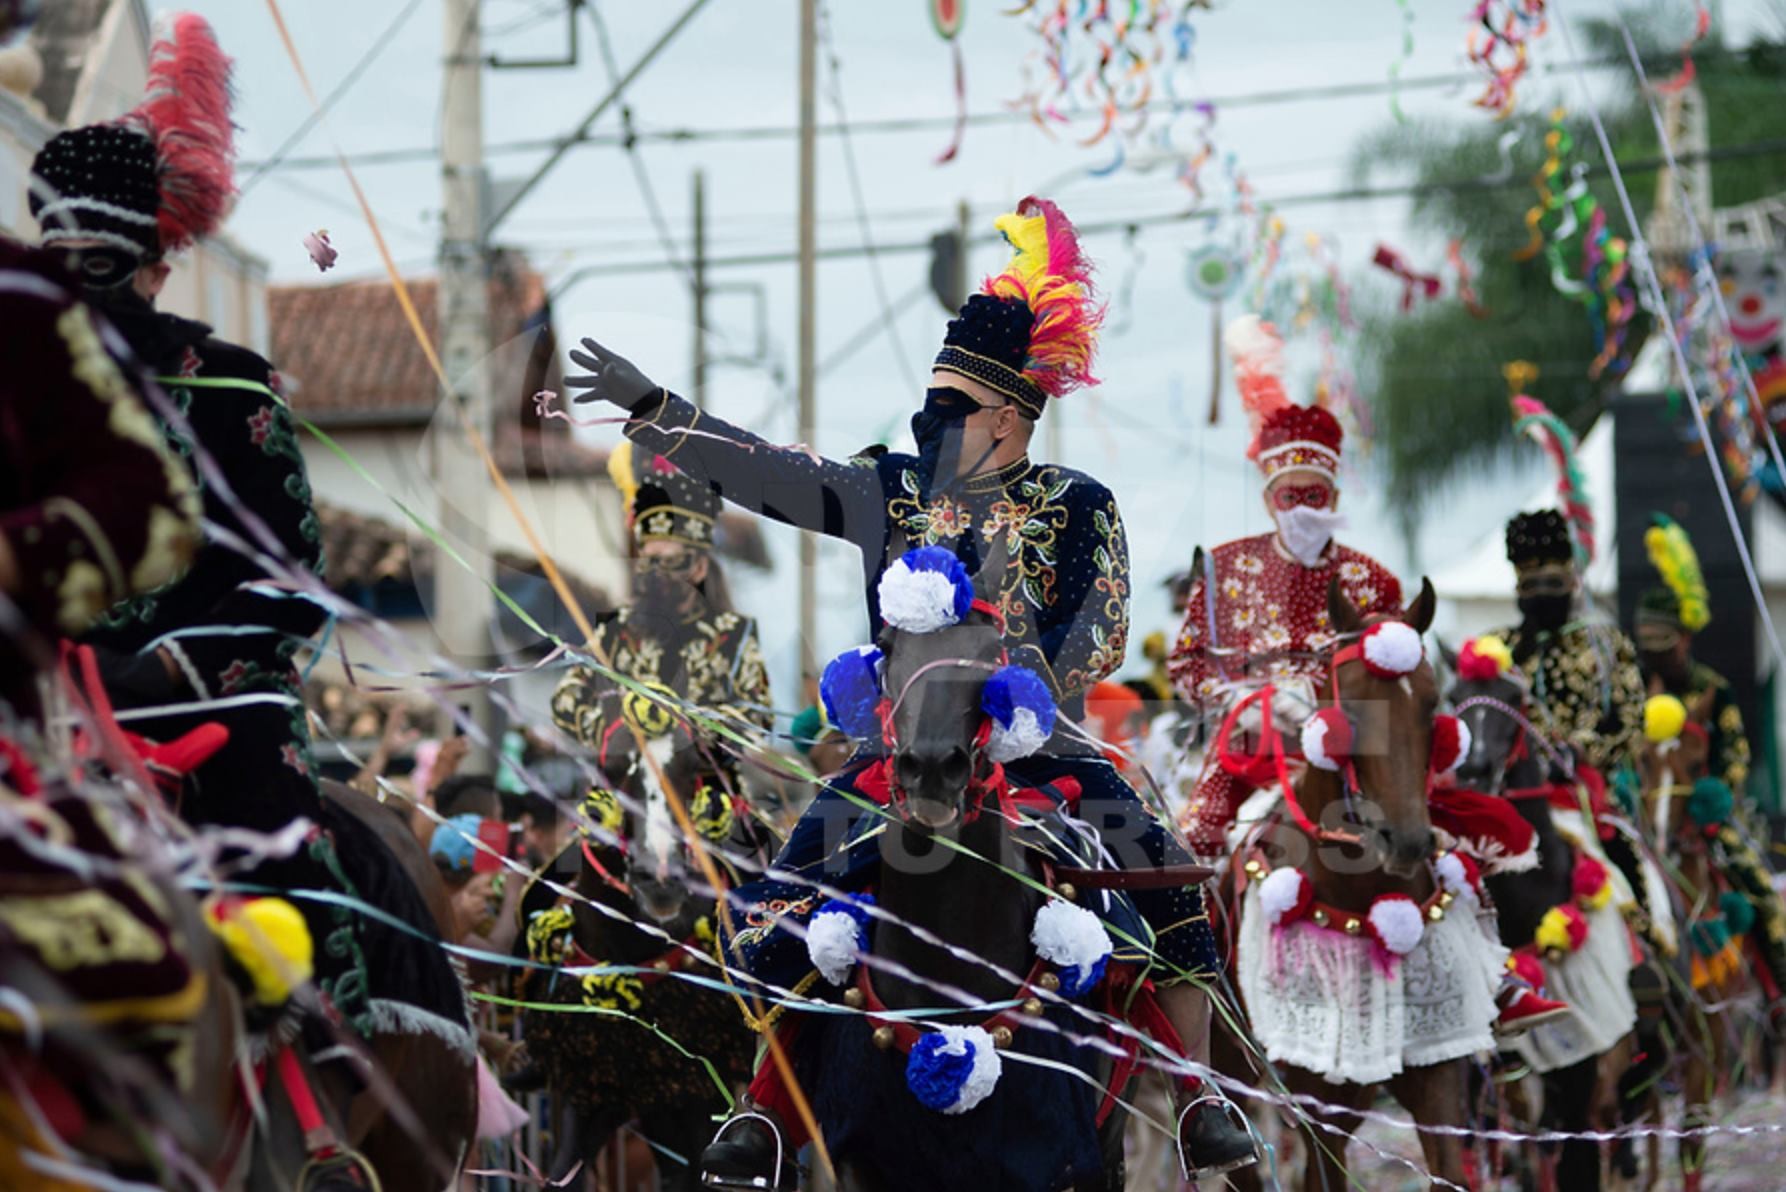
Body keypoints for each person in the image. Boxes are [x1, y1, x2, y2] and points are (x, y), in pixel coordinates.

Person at [567, 196, 1257, 1183]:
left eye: (950, 414)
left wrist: (1022, 708)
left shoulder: (1078, 506)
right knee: (772, 904)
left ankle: (1198, 1098)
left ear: (1010, 418)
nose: (928, 429)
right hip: (895, 753)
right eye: (927, 412)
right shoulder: (885, 489)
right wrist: (656, 412)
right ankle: (761, 1113)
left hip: (1037, 746)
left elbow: (1097, 625)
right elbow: (768, 474)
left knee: (1175, 889)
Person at [28, 13, 467, 1056]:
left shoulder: (229, 386)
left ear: (151, 262)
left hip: (205, 697)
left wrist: (176, 660)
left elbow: (289, 576)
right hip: (39, 699)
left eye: (97, 261)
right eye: (60, 259)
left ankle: (323, 1079)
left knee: (275, 841)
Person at [1167, 318, 1402, 860]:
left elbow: (1397, 678)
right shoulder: (1222, 568)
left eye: (1313, 496)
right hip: (1245, 747)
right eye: (1288, 496)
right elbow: (1185, 665)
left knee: (1419, 843)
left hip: (1354, 754)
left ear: (1334, 497)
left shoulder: (1375, 581)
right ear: (1269, 501)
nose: (1300, 508)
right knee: (1190, 849)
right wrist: (1237, 699)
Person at [548, 441, 773, 818]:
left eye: (670, 563)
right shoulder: (615, 632)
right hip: (624, 795)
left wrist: (690, 729)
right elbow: (565, 700)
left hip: (709, 795)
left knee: (769, 865)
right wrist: (621, 725)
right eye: (650, 561)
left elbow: (758, 716)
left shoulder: (733, 634)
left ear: (699, 568)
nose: (656, 574)